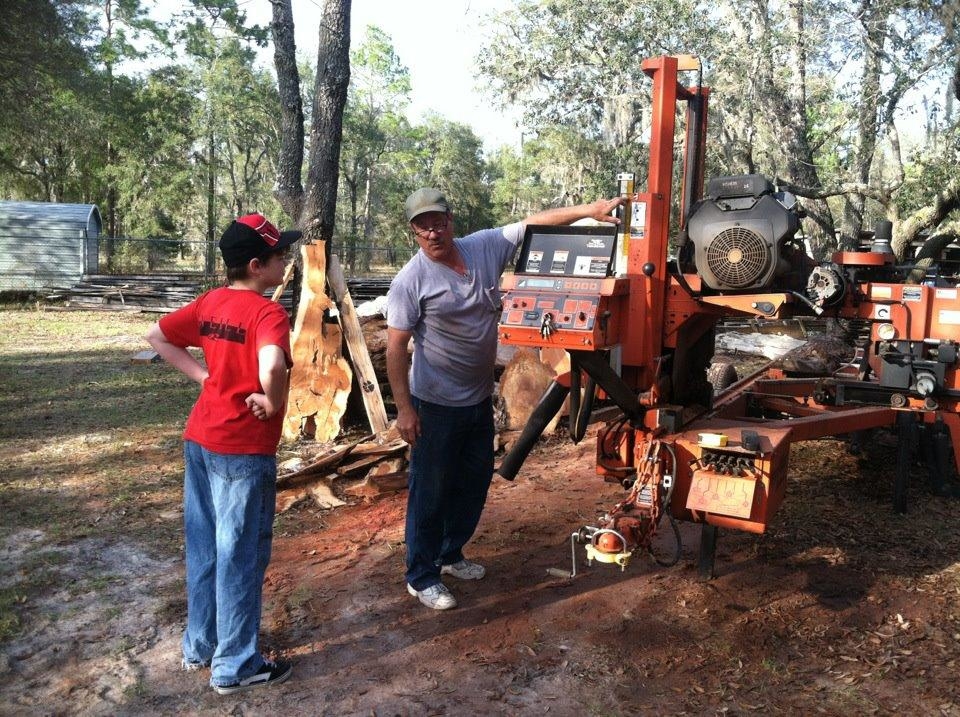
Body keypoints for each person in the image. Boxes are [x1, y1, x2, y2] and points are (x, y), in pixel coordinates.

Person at [386, 188, 624, 610]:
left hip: (478, 399)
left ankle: (449, 553)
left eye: (438, 222)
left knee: (475, 481)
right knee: (431, 489)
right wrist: (405, 410)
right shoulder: (411, 280)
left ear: (450, 220)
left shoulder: (482, 246)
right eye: (423, 226)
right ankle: (420, 575)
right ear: (413, 231)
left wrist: (591, 211)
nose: (432, 232)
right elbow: (395, 349)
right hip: (434, 404)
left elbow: (534, 222)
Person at [146, 213, 299, 694]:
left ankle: (201, 645)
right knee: (241, 555)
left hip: (201, 441)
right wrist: (272, 401)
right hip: (242, 450)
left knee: (207, 547)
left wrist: (204, 378)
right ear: (256, 265)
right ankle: (235, 664)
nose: (287, 261)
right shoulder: (267, 313)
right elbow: (271, 362)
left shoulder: (211, 303)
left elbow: (157, 336)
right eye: (280, 256)